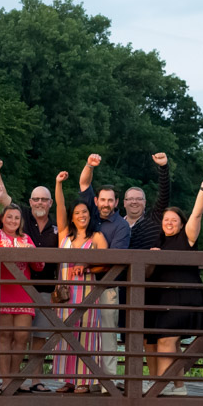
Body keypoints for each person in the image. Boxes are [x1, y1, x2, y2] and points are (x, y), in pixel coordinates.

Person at [142, 178, 203, 395]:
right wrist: (152, 260)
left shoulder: (186, 238)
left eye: (173, 220)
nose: (169, 223)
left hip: (185, 296)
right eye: (166, 220)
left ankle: (161, 384)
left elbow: (197, 214)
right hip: (163, 299)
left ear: (181, 223)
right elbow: (148, 274)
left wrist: (202, 189)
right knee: (168, 341)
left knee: (167, 339)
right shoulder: (159, 243)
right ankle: (178, 386)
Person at [72, 154, 131, 379]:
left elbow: (114, 258)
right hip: (82, 286)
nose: (106, 204)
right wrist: (89, 164)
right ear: (96, 201)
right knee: (81, 333)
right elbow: (84, 183)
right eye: (102, 200)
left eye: (110, 200)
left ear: (116, 202)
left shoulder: (122, 227)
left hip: (107, 287)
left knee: (106, 334)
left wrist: (86, 263)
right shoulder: (90, 215)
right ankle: (82, 379)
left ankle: (108, 380)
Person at [51, 170, 109, 393]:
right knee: (66, 335)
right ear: (72, 216)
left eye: (84, 212)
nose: (81, 215)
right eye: (77, 212)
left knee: (85, 335)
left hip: (86, 293)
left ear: (89, 214)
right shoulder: (65, 235)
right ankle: (68, 379)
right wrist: (58, 184)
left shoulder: (97, 237)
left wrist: (87, 266)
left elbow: (108, 265)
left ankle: (84, 381)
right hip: (65, 293)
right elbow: (59, 205)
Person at [0, 179, 38, 393]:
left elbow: (39, 265)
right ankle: (5, 379)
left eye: (16, 217)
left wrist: (31, 254)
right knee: (4, 336)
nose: (13, 220)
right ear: (2, 219)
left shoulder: (26, 239)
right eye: (9, 217)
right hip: (2, 292)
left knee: (22, 336)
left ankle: (15, 378)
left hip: (23, 293)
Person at [21, 179, 60, 389]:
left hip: (45, 288)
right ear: (30, 201)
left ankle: (36, 380)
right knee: (18, 336)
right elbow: (5, 199)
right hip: (20, 288)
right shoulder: (23, 219)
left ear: (50, 203)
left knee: (39, 338)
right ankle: (11, 380)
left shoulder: (56, 226)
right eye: (36, 199)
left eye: (44, 200)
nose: (39, 203)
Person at [125, 155, 172, 250]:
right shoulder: (117, 223)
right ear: (124, 203)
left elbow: (164, 194)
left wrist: (163, 168)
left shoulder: (153, 219)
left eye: (139, 199)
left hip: (145, 264)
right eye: (130, 199)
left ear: (145, 202)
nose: (134, 202)